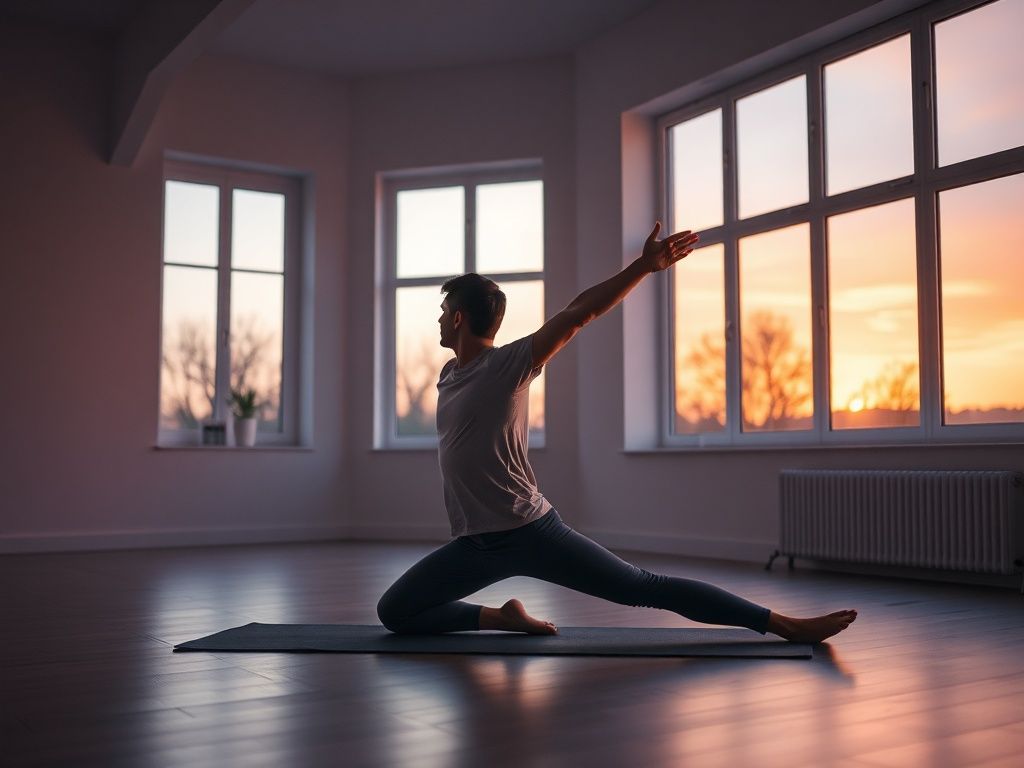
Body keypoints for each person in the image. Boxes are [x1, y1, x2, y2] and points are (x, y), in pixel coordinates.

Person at [377, 222, 857, 644]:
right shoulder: (447, 373)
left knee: (642, 587)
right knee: (394, 611)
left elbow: (577, 313)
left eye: (444, 311)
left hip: (528, 530)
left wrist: (643, 267)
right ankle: (502, 617)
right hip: (474, 543)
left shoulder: (508, 366)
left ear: (458, 317)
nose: (439, 319)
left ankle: (786, 625)